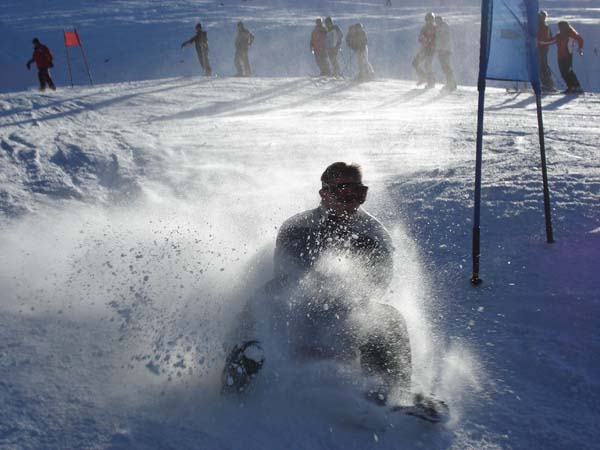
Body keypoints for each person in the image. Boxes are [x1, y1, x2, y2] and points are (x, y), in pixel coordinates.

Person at [222, 163, 411, 405]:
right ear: (325, 193)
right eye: (345, 191)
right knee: (264, 298)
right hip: (297, 308)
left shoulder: (374, 233)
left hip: (347, 313)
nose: (353, 200)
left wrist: (346, 297)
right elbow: (285, 274)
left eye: (360, 193)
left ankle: (389, 395)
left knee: (388, 318)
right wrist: (316, 292)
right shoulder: (298, 227)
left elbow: (378, 285)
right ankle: (240, 371)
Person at [540, 20, 584, 94]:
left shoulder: (571, 33)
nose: (559, 28)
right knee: (563, 72)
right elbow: (551, 41)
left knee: (568, 71)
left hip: (568, 55)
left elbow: (580, 39)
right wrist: (541, 42)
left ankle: (576, 86)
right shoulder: (559, 35)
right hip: (560, 56)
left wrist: (580, 48)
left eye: (560, 27)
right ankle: (570, 87)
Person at [412, 12, 436, 88]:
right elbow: (419, 38)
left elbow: (437, 39)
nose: (429, 22)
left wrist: (431, 42)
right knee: (415, 63)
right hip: (424, 49)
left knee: (427, 65)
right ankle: (423, 77)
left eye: (430, 20)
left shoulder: (435, 28)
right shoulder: (424, 28)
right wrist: (423, 39)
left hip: (431, 50)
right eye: (427, 20)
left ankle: (431, 82)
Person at [434, 16, 456, 91]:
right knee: (445, 67)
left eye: (437, 21)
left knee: (446, 67)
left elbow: (445, 39)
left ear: (440, 20)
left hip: (445, 50)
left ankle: (451, 83)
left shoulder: (444, 27)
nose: (436, 22)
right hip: (442, 50)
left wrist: (443, 49)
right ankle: (450, 83)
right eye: (435, 21)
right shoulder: (439, 28)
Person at [537, 11, 556, 92]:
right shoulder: (538, 26)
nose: (542, 18)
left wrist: (544, 42)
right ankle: (546, 84)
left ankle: (549, 84)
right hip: (539, 48)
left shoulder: (546, 27)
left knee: (543, 65)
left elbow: (550, 38)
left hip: (543, 48)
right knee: (540, 66)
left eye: (543, 17)